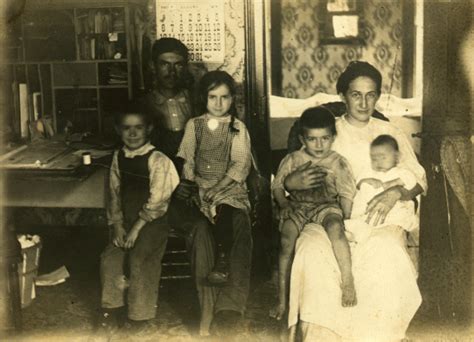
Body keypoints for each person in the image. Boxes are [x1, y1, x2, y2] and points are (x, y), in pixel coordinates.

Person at [285, 61, 427, 341]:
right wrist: (294, 184)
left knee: (386, 250)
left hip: (380, 218)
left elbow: (420, 179)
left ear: (377, 96)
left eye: (371, 94)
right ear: (342, 96)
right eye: (355, 94)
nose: (364, 102)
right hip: (331, 215)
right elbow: (297, 173)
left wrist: (396, 192)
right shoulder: (329, 132)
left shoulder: (392, 132)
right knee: (311, 249)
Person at [270, 107, 357, 321]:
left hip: (326, 206)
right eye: (312, 139)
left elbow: (346, 192)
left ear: (333, 137)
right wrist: (283, 204)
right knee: (286, 241)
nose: (319, 145)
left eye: (325, 138)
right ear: (302, 138)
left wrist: (345, 218)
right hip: (297, 207)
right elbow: (278, 186)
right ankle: (282, 300)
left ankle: (347, 281)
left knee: (336, 230)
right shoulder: (292, 159)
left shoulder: (339, 162)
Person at [98, 105, 179, 335]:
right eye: (126, 128)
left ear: (149, 129)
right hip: (126, 221)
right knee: (110, 257)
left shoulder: (158, 159)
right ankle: (110, 309)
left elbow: (158, 201)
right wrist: (117, 226)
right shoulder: (117, 157)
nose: (132, 134)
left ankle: (139, 316)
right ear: (118, 130)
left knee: (139, 258)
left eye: (138, 128)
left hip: (151, 223)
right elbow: (113, 194)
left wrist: (135, 230)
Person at [177, 70, 252, 285]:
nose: (218, 104)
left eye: (224, 97)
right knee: (199, 218)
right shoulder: (195, 125)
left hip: (228, 185)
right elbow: (188, 159)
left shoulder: (237, 127)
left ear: (232, 99)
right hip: (201, 183)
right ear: (204, 98)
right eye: (213, 97)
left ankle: (223, 259)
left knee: (226, 211)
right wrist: (192, 184)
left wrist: (218, 188)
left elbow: (240, 163)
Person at [346, 134, 419, 243]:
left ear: (396, 156)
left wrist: (395, 182)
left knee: (391, 223)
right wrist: (367, 180)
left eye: (383, 157)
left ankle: (364, 237)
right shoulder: (368, 172)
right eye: (374, 158)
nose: (378, 162)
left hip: (393, 211)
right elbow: (358, 183)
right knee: (361, 223)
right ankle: (356, 237)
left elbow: (411, 181)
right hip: (368, 211)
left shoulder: (401, 172)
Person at [145, 37, 194, 171]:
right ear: (153, 66)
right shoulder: (142, 105)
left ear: (185, 68)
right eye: (165, 64)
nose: (172, 72)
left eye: (178, 65)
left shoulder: (198, 101)